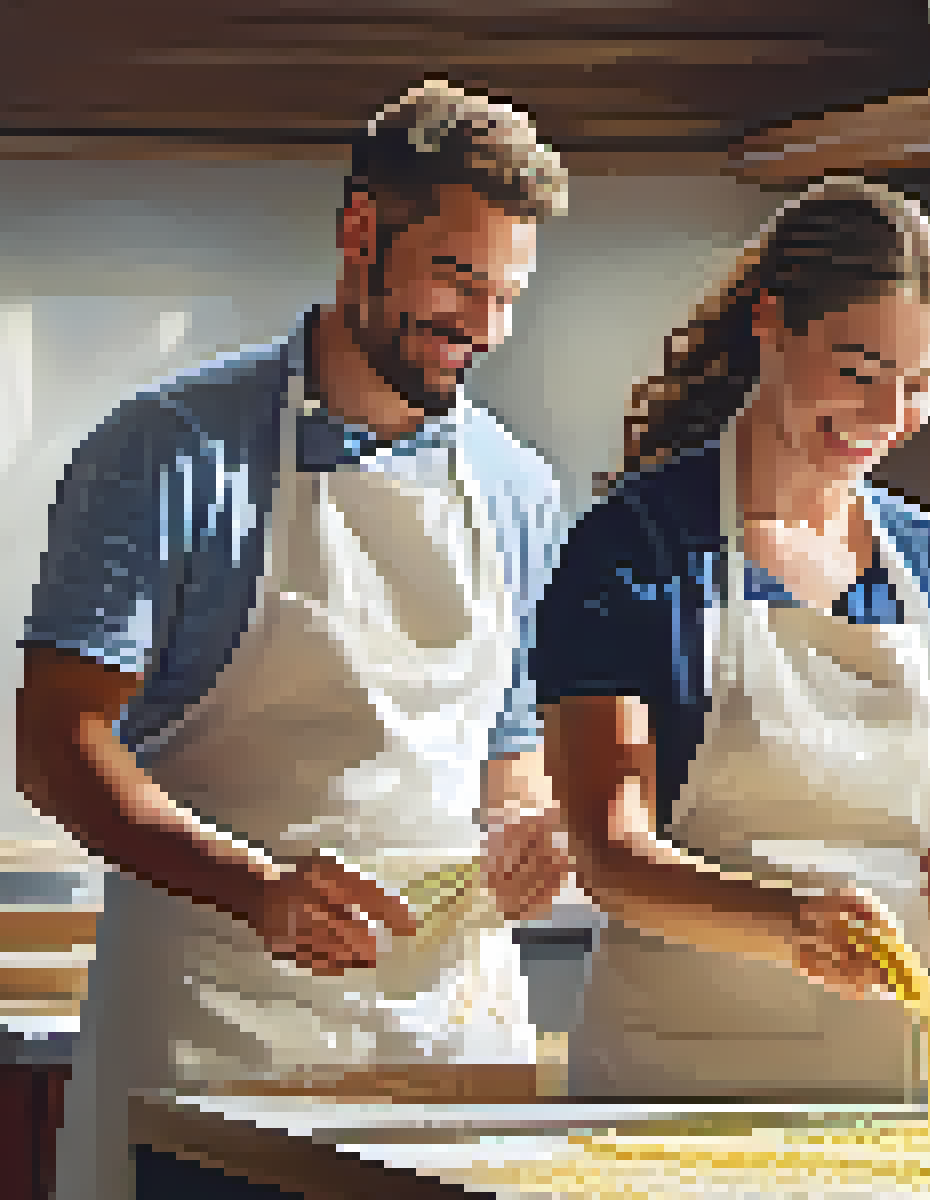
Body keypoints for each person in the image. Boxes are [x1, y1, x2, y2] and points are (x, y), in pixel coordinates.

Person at [20, 80, 576, 1200]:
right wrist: (261, 890)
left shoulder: (518, 488)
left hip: (444, 1048)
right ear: (360, 231)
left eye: (507, 293)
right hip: (216, 1032)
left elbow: (503, 751)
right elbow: (57, 745)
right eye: (456, 278)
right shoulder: (165, 454)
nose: (484, 325)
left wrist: (531, 831)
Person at [538, 178, 930, 1102]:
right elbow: (609, 850)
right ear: (771, 324)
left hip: (899, 1093)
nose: (888, 418)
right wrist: (786, 923)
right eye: (858, 372)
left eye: (921, 384)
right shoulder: (638, 544)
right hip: (674, 1093)